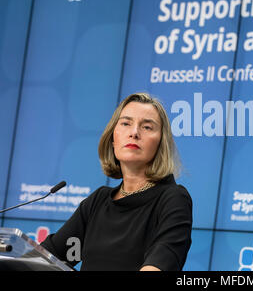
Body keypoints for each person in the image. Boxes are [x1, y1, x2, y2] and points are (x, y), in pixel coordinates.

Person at [40, 92, 192, 271]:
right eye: (126, 123)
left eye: (147, 127)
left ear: (160, 144)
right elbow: (45, 258)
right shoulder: (98, 201)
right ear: (113, 138)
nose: (134, 133)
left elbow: (160, 263)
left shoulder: (173, 199)